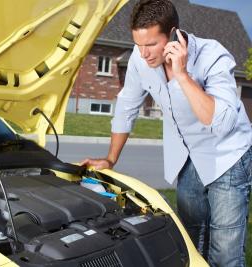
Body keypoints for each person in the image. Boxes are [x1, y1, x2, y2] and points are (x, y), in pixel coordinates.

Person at [81, 0, 252, 266]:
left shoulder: (212, 56)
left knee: (225, 250)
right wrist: (111, 159)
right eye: (139, 45)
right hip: (188, 157)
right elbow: (128, 105)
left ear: (173, 34)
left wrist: (182, 75)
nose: (144, 53)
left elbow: (219, 123)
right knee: (190, 239)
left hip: (227, 155)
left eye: (151, 45)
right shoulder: (140, 58)